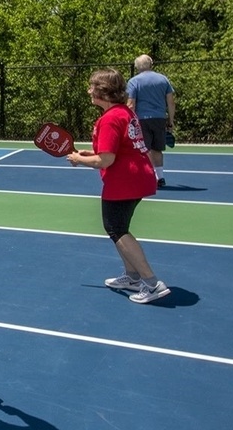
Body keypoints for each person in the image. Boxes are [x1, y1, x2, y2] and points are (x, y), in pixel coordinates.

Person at [67, 69, 170, 304]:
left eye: (92, 86)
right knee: (118, 227)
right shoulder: (123, 112)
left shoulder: (110, 118)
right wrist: (89, 153)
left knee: (116, 229)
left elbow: (105, 161)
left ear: (103, 91)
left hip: (125, 181)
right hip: (137, 177)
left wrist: (78, 159)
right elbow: (118, 150)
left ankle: (152, 283)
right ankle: (133, 276)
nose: (89, 90)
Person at [126, 54, 176, 188]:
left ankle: (147, 176)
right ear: (151, 64)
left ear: (137, 67)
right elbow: (171, 102)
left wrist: (128, 121)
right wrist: (170, 121)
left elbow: (131, 104)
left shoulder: (134, 81)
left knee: (143, 149)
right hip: (159, 118)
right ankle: (160, 178)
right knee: (157, 149)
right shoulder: (163, 79)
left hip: (141, 120)